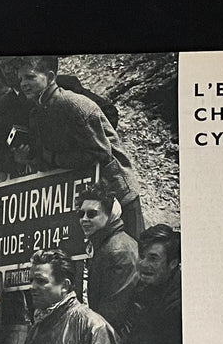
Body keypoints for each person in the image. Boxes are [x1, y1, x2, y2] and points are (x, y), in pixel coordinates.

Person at [12, 56, 146, 240]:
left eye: (30, 77)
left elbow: (99, 153)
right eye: (20, 79)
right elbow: (47, 156)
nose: (24, 84)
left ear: (50, 77)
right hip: (87, 201)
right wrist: (28, 159)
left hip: (118, 194)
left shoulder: (73, 105)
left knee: (131, 253)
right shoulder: (38, 112)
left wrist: (54, 159)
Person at [78, 184, 140, 329]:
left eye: (92, 214)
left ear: (111, 215)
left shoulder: (117, 251)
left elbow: (113, 313)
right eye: (81, 214)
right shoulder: (105, 245)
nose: (84, 219)